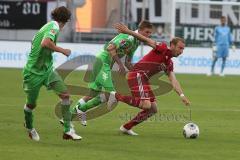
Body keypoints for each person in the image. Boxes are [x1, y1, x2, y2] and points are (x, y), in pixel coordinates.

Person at [107, 23, 190, 135]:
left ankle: (126, 127)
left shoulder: (169, 63)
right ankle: (116, 96)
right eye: (180, 48)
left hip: (143, 79)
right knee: (146, 104)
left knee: (153, 109)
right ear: (172, 45)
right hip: (137, 75)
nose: (181, 51)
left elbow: (173, 80)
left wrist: (182, 95)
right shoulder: (162, 48)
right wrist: (129, 32)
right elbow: (146, 40)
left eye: (183, 49)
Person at [72, 21, 153, 126]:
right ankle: (81, 110)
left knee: (93, 93)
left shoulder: (136, 42)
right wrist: (120, 65)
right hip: (102, 62)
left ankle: (70, 115)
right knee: (112, 94)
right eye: (147, 32)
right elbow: (110, 48)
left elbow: (128, 61)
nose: (149, 35)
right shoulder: (129, 39)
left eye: (150, 33)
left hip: (105, 65)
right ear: (140, 30)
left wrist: (139, 74)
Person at [23, 6, 81, 141]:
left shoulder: (49, 26)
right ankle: (30, 127)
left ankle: (68, 131)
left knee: (65, 95)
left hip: (47, 70)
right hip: (33, 73)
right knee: (31, 105)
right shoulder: (53, 27)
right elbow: (45, 43)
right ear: (65, 20)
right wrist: (63, 50)